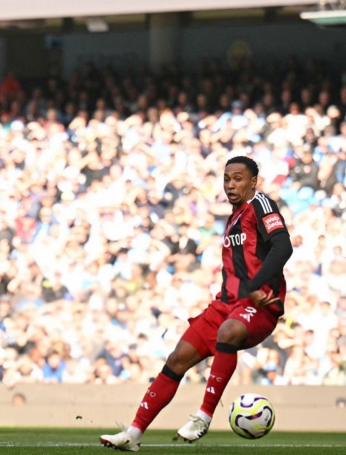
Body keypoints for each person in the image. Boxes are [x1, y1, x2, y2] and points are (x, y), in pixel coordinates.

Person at [100, 156, 293, 451]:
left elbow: (283, 246)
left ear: (254, 181)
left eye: (238, 178)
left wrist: (255, 286)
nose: (231, 184)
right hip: (225, 304)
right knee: (177, 358)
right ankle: (133, 434)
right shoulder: (234, 217)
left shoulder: (261, 205)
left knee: (229, 332)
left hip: (260, 305)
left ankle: (203, 416)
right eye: (227, 178)